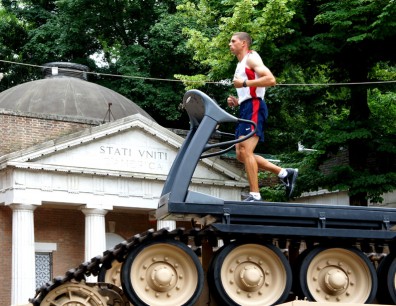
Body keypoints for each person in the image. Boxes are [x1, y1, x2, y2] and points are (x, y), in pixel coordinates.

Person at [227, 32, 298, 201]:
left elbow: (270, 79)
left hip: (255, 106)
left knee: (246, 150)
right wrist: (238, 101)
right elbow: (251, 90)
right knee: (240, 154)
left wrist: (243, 84)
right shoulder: (240, 64)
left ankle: (255, 194)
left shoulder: (251, 58)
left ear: (243, 43)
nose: (230, 44)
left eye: (233, 41)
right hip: (246, 106)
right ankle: (284, 173)